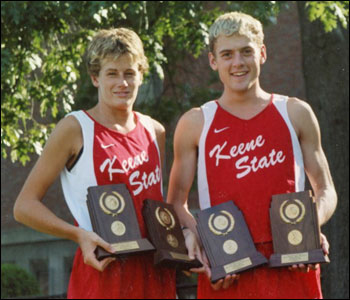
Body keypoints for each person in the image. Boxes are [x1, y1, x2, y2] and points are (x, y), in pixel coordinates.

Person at [167, 12, 337, 299]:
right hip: (228, 267)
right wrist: (202, 239)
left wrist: (309, 224)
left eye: (246, 52)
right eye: (227, 54)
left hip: (292, 261)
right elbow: (176, 202)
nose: (238, 63)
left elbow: (326, 189)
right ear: (213, 61)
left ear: (262, 53)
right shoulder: (195, 122)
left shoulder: (295, 112)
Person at [14, 28, 176, 299]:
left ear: (141, 75)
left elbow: (157, 206)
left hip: (155, 273)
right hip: (103, 270)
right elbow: (24, 207)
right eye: (112, 73)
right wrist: (78, 234)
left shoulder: (154, 130)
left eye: (129, 73)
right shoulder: (75, 128)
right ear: (95, 77)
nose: (122, 83)